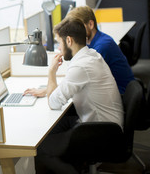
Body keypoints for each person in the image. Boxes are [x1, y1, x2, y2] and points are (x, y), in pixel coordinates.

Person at [35, 18, 124, 174]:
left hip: (102, 132)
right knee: (51, 129)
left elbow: (53, 103)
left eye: (59, 43)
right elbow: (73, 84)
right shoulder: (91, 55)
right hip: (107, 124)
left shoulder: (80, 66)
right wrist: (51, 88)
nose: (59, 49)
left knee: (39, 148)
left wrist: (51, 73)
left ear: (68, 40)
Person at [24, 5, 134, 96]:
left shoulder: (101, 47)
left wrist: (47, 90)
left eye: (78, 27)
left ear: (90, 24)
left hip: (122, 95)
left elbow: (77, 80)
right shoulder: (95, 42)